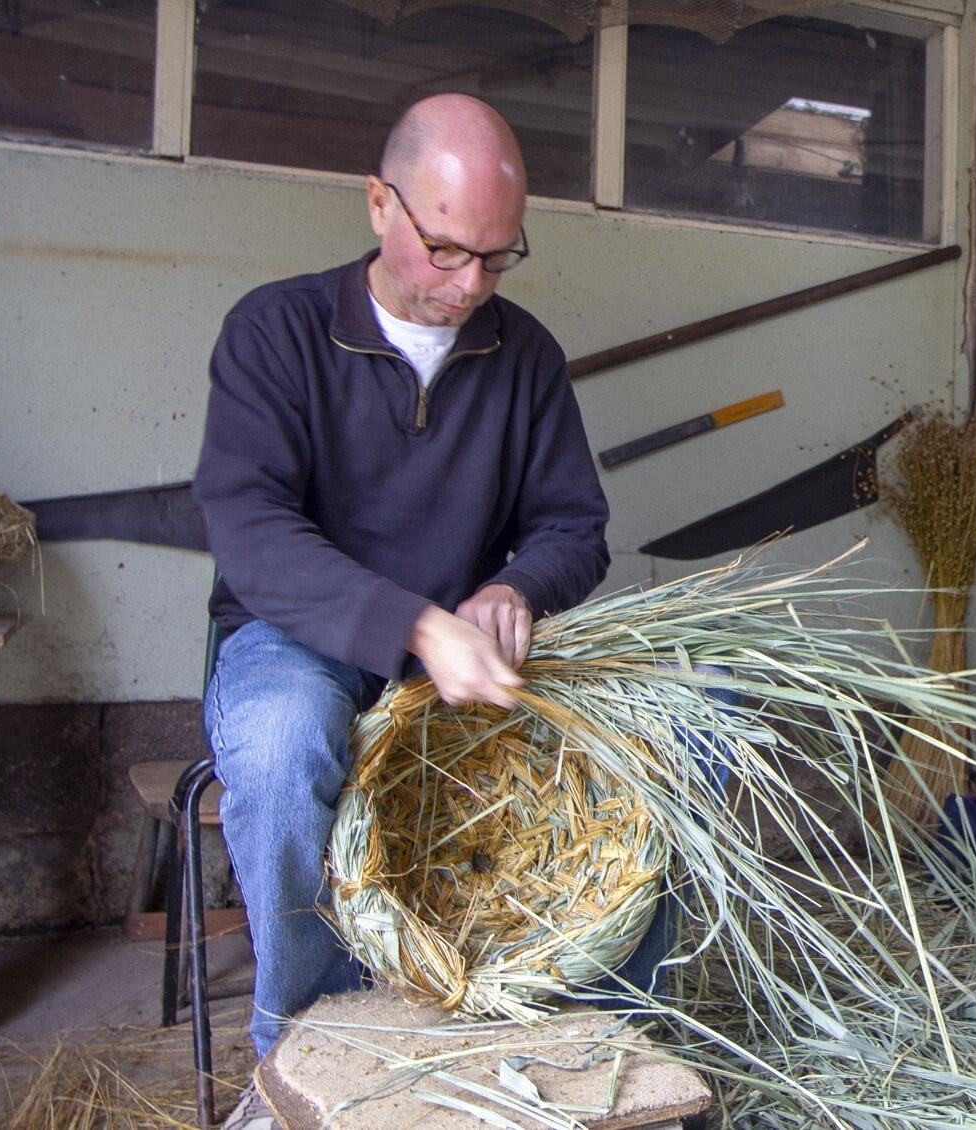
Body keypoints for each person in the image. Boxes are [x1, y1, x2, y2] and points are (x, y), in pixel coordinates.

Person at [192, 93, 620, 1078]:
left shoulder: (528, 360)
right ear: (379, 203)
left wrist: (517, 588)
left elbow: (574, 527)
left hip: (463, 664)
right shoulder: (276, 333)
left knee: (650, 753)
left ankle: (560, 1051)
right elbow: (251, 533)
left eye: (499, 256)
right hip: (295, 639)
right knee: (281, 742)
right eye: (448, 250)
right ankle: (306, 1047)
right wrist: (419, 625)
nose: (472, 283)